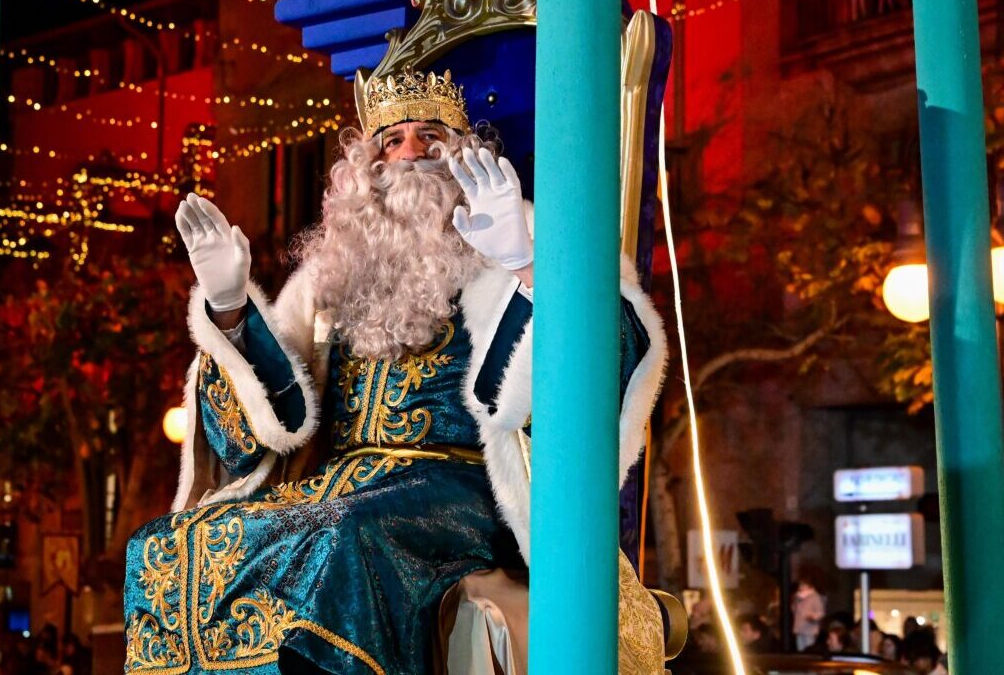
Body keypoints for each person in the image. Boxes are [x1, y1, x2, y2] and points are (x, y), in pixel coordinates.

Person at [123, 67, 667, 673]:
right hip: (336, 486)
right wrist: (228, 312)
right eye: (392, 141)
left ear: (464, 154)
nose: (410, 156)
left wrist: (528, 269)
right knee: (163, 548)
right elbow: (257, 440)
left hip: (465, 491)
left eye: (431, 138)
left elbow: (598, 370)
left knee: (340, 539)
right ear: (367, 169)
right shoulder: (330, 278)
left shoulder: (524, 237)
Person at [792, 578, 825, 651]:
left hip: (810, 629)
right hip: (799, 628)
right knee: (800, 651)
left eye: (803, 585)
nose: (801, 587)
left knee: (809, 650)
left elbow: (821, 612)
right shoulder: (798, 597)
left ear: (809, 586)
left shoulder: (815, 597)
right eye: (800, 585)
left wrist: (812, 617)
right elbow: (795, 611)